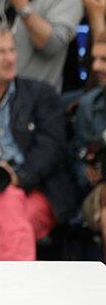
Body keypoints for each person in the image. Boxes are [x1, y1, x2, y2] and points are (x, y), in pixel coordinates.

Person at [0, 21, 75, 261]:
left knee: (2, 217)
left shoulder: (40, 94)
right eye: (1, 52)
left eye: (12, 50)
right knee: (9, 209)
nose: (10, 58)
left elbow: (52, 146)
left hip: (37, 191)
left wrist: (19, 178)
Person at [71, 34, 106, 261]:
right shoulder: (88, 106)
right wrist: (87, 173)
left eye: (104, 60)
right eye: (95, 59)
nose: (96, 67)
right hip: (98, 194)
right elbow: (76, 156)